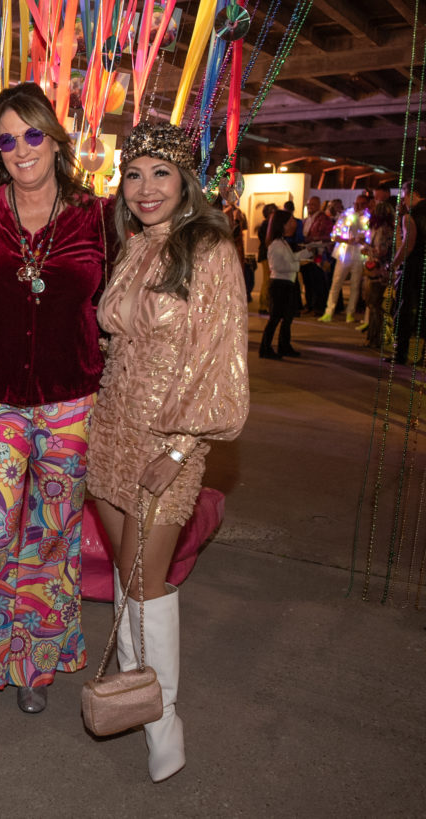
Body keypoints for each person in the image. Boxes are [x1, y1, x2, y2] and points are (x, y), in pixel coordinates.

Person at [0, 82, 113, 733]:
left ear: (55, 139)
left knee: (52, 533)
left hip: (72, 401)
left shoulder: (97, 217)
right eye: (8, 139)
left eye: (33, 134)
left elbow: (118, 303)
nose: (21, 149)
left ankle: (32, 664)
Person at [85, 122, 250, 782]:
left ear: (186, 180)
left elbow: (217, 357)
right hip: (110, 432)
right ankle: (138, 699)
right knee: (129, 581)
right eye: (134, 174)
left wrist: (181, 450)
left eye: (161, 172)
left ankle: (163, 719)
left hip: (166, 441)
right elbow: (115, 340)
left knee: (147, 584)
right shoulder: (133, 246)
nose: (146, 187)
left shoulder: (210, 249)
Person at [389, 178, 426, 364]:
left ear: (413, 194)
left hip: (413, 268)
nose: (403, 201)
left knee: (404, 309)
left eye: (404, 196)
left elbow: (408, 245)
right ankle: (423, 356)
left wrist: (393, 264)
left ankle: (401, 353)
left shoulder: (410, 216)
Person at [259, 209, 302, 359]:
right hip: (279, 285)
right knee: (275, 318)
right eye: (290, 221)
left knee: (287, 318)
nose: (294, 224)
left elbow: (289, 259)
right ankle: (265, 348)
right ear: (282, 224)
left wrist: (305, 254)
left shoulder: (282, 242)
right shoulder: (276, 244)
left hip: (287, 283)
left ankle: (284, 346)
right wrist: (297, 265)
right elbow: (277, 267)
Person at [320, 195, 371, 323]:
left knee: (355, 285)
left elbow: (370, 238)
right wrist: (346, 240)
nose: (358, 206)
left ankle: (350, 313)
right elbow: (334, 235)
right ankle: (329, 312)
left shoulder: (369, 218)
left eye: (362, 204)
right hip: (344, 254)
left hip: (359, 255)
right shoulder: (345, 216)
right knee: (336, 282)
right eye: (356, 203)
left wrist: (363, 240)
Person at [361, 200, 394, 347]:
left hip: (379, 271)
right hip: (380, 270)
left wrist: (366, 247)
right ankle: (374, 337)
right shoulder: (386, 228)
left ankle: (375, 338)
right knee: (376, 305)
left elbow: (381, 251)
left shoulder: (382, 230)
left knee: (375, 305)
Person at [256, 202, 277, 313]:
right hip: (267, 255)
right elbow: (266, 241)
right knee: (267, 279)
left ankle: (266, 304)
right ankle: (263, 305)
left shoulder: (267, 224)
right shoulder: (266, 225)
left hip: (268, 254)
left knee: (268, 279)